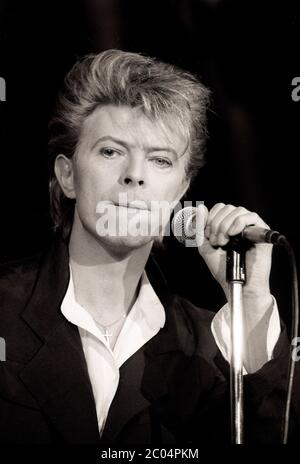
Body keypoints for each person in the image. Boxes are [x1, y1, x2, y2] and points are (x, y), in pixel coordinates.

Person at [0, 49, 297, 444]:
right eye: (111, 151)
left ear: (181, 191)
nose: (135, 176)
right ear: (68, 175)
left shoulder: (208, 346)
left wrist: (252, 299)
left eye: (159, 160)